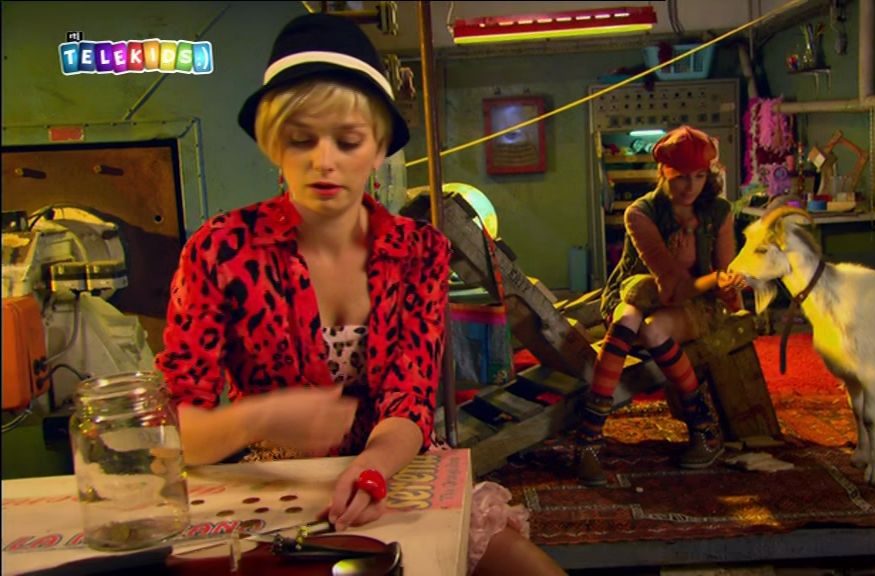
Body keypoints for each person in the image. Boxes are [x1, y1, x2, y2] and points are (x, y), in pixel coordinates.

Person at [156, 13, 564, 576]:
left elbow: (409, 399)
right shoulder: (220, 251)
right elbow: (177, 433)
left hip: (393, 470)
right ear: (274, 146)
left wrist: (372, 468)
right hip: (272, 492)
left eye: (348, 141)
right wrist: (260, 418)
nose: (324, 160)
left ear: (377, 150)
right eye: (301, 139)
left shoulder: (419, 251)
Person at [574, 126, 745, 486]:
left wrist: (727, 285)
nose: (691, 186)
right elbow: (670, 283)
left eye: (699, 176)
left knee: (653, 330)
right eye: (681, 176)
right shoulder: (641, 213)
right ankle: (588, 441)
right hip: (641, 293)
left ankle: (704, 430)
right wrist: (711, 278)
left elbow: (721, 275)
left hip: (693, 305)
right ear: (664, 171)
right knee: (628, 317)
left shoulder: (719, 212)